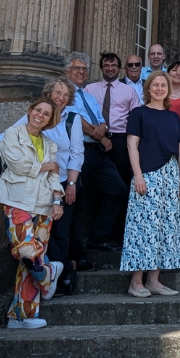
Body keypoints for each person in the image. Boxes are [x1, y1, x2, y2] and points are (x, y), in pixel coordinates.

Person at [0, 78, 85, 295]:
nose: (61, 98)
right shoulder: (35, 116)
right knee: (28, 243)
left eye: (65, 95)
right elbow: (13, 133)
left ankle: (60, 279)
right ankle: (48, 274)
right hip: (30, 186)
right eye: (58, 93)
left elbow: (76, 153)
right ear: (48, 94)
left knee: (60, 232)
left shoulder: (72, 120)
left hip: (60, 183)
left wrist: (70, 184)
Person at [0, 98, 65, 329]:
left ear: (50, 120)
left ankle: (21, 316)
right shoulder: (12, 134)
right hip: (16, 200)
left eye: (46, 114)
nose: (40, 115)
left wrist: (58, 201)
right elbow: (18, 165)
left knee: (28, 265)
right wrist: (48, 166)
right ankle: (49, 272)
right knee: (26, 251)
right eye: (38, 110)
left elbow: (54, 176)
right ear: (30, 111)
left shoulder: (49, 143)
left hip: (44, 205)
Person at [122, 71, 180, 298]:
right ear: (148, 88)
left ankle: (154, 280)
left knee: (165, 227)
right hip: (147, 175)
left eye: (163, 85)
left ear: (168, 90)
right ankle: (136, 282)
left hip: (170, 175)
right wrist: (138, 175)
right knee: (143, 227)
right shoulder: (138, 113)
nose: (159, 89)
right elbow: (132, 146)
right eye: (155, 85)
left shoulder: (173, 117)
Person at [59, 52, 124, 261]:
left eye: (84, 69)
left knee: (118, 190)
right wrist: (98, 134)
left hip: (96, 152)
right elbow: (75, 118)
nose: (81, 72)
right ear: (67, 71)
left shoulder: (88, 96)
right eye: (77, 68)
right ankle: (77, 253)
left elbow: (101, 120)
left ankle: (98, 237)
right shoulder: (63, 93)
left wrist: (102, 130)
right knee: (77, 201)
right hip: (76, 151)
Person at [85, 52, 142, 251]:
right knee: (94, 187)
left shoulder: (129, 91)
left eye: (114, 65)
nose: (110, 68)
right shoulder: (90, 90)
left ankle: (115, 235)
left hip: (119, 142)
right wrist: (98, 135)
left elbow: (135, 119)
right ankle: (93, 233)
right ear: (101, 68)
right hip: (94, 141)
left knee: (121, 186)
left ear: (120, 68)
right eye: (106, 65)